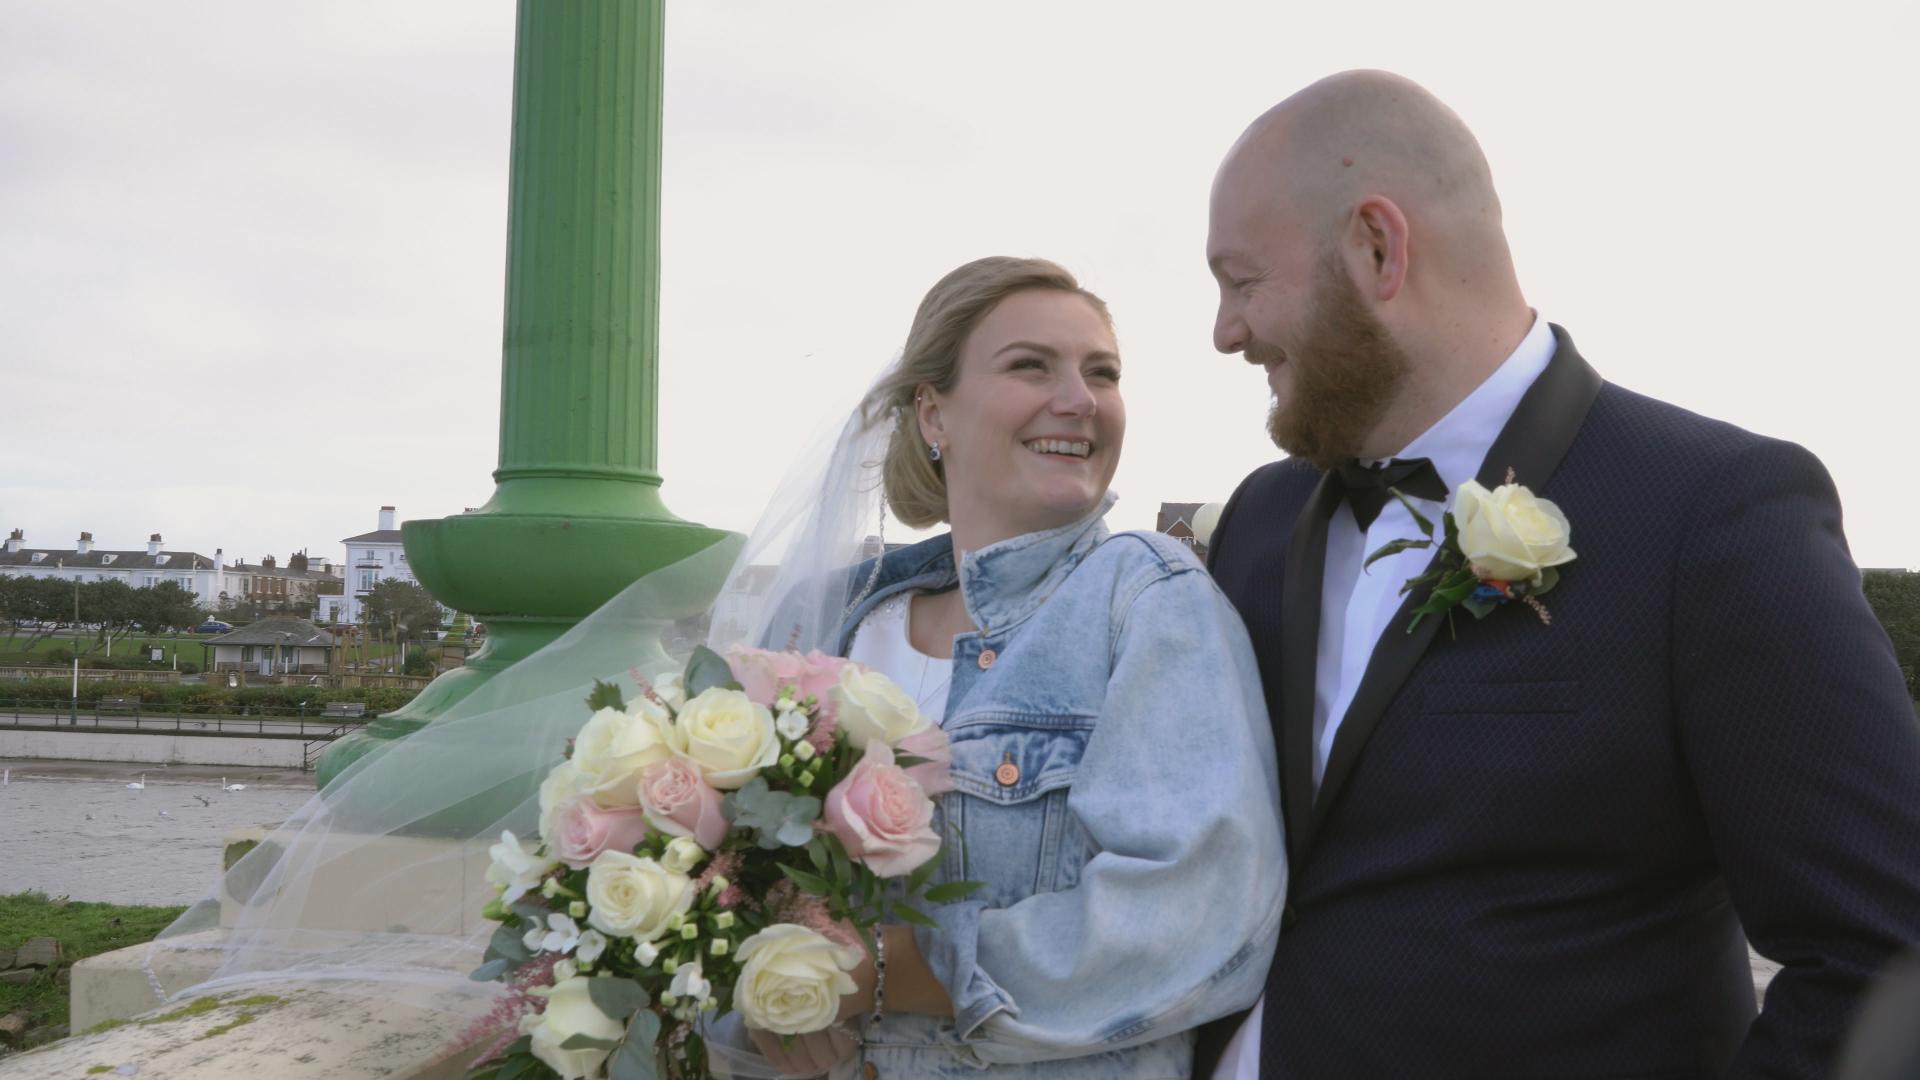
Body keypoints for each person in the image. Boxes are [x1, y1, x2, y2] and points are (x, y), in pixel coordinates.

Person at [1199, 70, 1920, 1077]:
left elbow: (1886, 956)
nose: (1224, 331)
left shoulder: (1712, 515)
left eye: (1240, 282)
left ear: (1377, 248)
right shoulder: (1261, 525)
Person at [745, 255, 1285, 1078]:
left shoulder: (1143, 596)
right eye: (1031, 366)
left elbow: (1201, 915)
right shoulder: (829, 623)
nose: (1079, 400)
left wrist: (885, 973)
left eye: (1101, 373)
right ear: (934, 414)